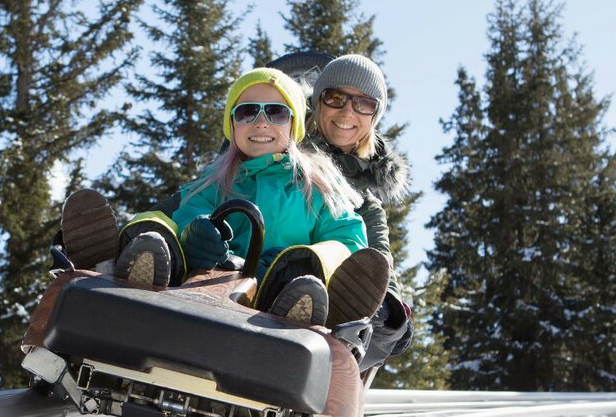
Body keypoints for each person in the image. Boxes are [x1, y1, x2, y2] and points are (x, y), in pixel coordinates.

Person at [61, 67, 388, 329]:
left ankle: (302, 299)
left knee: (326, 255)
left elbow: (348, 238)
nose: (261, 122)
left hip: (275, 297)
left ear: (294, 126)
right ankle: (123, 264)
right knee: (159, 223)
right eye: (247, 112)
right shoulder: (216, 181)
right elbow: (190, 210)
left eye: (276, 112)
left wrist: (296, 261)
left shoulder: (317, 186)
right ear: (232, 124)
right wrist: (194, 233)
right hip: (204, 287)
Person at [298, 53, 414, 368]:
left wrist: (387, 306)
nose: (348, 110)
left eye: (364, 104)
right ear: (317, 102)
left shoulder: (364, 206)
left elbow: (380, 261)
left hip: (323, 315)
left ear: (374, 117)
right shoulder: (279, 152)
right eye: (336, 97)